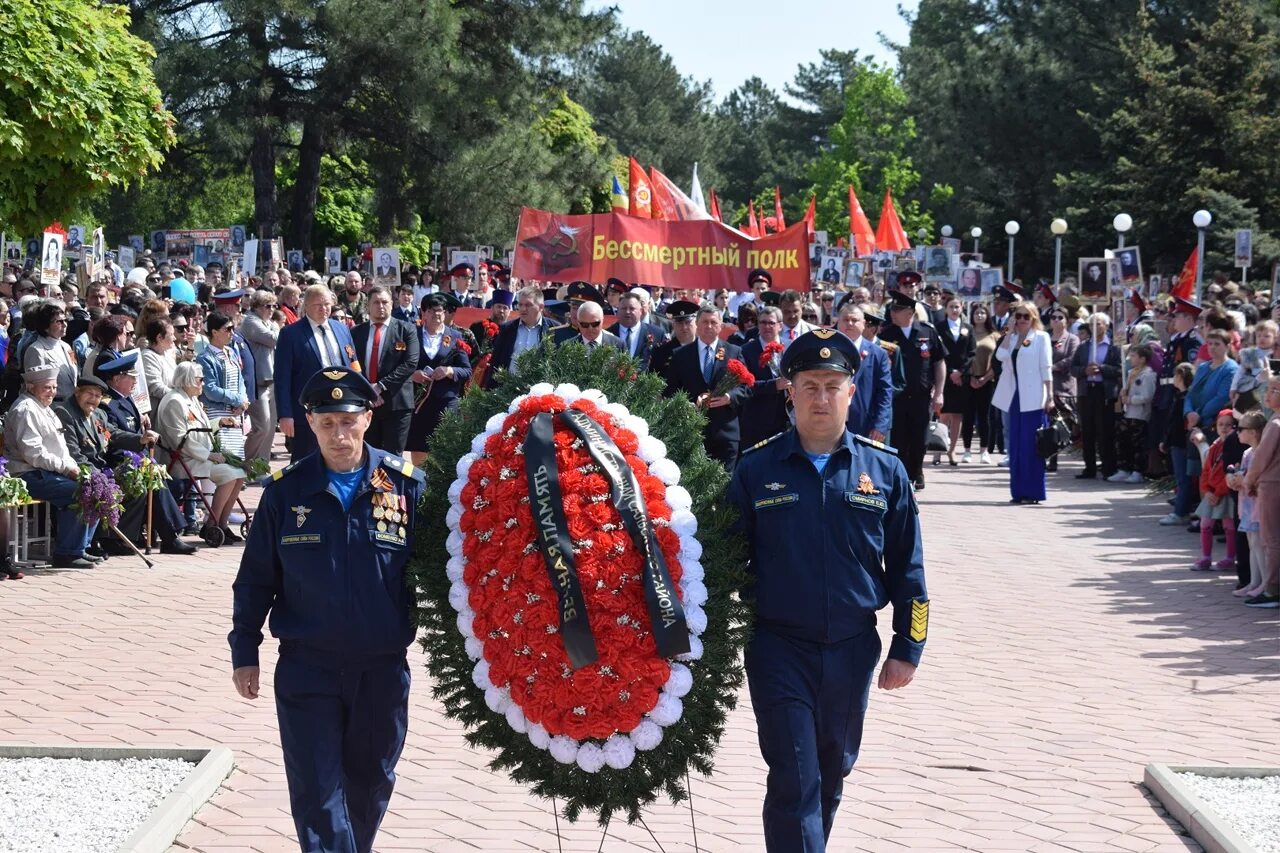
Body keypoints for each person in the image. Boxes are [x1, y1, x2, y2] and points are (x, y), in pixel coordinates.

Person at [727, 329, 928, 852]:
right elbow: (724, 560)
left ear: (851, 391)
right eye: (809, 385)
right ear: (788, 391)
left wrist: (908, 648)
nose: (821, 397)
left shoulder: (885, 471)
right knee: (795, 777)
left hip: (852, 647)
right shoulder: (755, 469)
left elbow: (910, 569)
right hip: (778, 646)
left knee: (831, 773)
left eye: (832, 385)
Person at [229, 367, 422, 853]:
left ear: (367, 418)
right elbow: (255, 579)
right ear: (310, 422)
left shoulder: (405, 489)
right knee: (316, 790)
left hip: (381, 667)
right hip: (306, 666)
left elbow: (440, 575)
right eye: (327, 422)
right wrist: (244, 650)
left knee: (371, 781)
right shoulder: (284, 493)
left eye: (348, 421)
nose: (339, 434)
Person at [59, 371, 196, 555]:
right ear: (77, 392)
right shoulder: (66, 412)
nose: (93, 399)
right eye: (89, 394)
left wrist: (141, 439)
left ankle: (167, 537)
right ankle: (107, 540)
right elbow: (73, 452)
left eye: (97, 396)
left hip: (101, 469)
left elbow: (113, 434)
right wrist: (96, 475)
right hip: (81, 470)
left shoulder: (98, 414)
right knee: (134, 482)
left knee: (147, 478)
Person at [5, 365, 100, 567]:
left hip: (47, 471)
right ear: (31, 387)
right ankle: (68, 553)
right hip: (27, 474)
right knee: (79, 491)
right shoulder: (25, 410)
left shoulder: (44, 408)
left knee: (99, 486)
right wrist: (67, 470)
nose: (52, 392)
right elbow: (34, 454)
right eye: (47, 387)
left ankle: (82, 546)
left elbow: (61, 450)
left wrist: (77, 469)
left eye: (54, 387)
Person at [157, 361, 247, 542]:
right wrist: (210, 455)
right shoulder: (175, 401)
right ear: (188, 380)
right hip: (185, 460)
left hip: (198, 457)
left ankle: (221, 523)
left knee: (241, 474)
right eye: (200, 380)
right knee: (230, 475)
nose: (203, 384)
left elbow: (201, 429)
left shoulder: (191, 399)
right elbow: (180, 440)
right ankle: (211, 524)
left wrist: (219, 422)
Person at [276, 284, 362, 461]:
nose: (324, 309)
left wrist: (361, 396)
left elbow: (354, 365)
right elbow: (282, 378)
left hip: (342, 405)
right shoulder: (291, 334)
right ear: (305, 306)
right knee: (306, 459)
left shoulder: (341, 329)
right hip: (309, 411)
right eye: (318, 305)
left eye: (327, 304)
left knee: (340, 457)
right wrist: (285, 415)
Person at [664, 304, 751, 470]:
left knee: (724, 486)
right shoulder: (681, 355)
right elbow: (670, 391)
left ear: (721, 326)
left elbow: (746, 387)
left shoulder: (734, 352)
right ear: (697, 324)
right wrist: (683, 404)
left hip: (726, 433)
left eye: (713, 322)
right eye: (704, 322)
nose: (709, 326)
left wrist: (729, 397)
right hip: (692, 432)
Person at [876, 290, 946, 490]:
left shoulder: (927, 332)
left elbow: (939, 363)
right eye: (892, 308)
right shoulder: (886, 334)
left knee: (919, 438)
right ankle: (903, 476)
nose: (892, 312)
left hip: (921, 396)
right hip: (896, 397)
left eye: (897, 309)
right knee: (898, 438)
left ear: (910, 311)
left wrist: (939, 393)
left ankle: (917, 471)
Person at [992, 304, 1054, 503]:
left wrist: (1050, 395)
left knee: (1031, 447)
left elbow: (1046, 367)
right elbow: (1000, 356)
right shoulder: (1013, 338)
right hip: (1014, 396)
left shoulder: (1040, 337)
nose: (1021, 319)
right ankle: (1018, 492)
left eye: (1025, 316)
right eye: (1018, 316)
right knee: (1016, 446)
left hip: (1033, 397)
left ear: (1033, 317)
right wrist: (1009, 332)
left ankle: (1033, 492)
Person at [351, 287, 420, 455]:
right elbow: (351, 362)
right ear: (368, 305)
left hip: (397, 404)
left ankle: (392, 483)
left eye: (384, 302)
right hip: (365, 403)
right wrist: (368, 389)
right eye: (376, 302)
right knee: (366, 455)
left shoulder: (407, 330)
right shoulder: (356, 332)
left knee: (393, 458)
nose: (380, 306)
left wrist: (380, 386)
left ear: (392, 304)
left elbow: (410, 363)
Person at [405, 294, 471, 464]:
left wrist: (449, 370)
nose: (437, 315)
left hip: (446, 403)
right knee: (420, 453)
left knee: (446, 452)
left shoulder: (455, 336)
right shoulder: (412, 334)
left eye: (441, 311)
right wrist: (413, 374)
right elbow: (399, 364)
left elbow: (466, 370)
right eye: (432, 311)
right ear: (424, 313)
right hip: (420, 403)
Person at [1241, 377, 1280, 607]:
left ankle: (1273, 589)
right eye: (1268, 388)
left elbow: (1261, 457)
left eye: (1275, 390)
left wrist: (1249, 479)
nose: (1268, 394)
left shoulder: (1275, 424)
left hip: (1271, 483)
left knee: (1271, 538)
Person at [1070, 313, 1123, 480]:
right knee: (1088, 430)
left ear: (1106, 326)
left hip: (1104, 391)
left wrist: (1103, 369)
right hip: (1087, 391)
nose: (1095, 327)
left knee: (1105, 430)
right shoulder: (1084, 346)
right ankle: (1089, 468)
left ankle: (1108, 468)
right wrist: (1084, 371)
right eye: (1091, 323)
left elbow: (1120, 369)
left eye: (1098, 323)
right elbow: (1073, 368)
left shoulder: (1114, 347)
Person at [836, 304, 892, 441]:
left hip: (864, 425)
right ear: (838, 322)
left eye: (854, 320)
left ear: (863, 324)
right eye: (845, 319)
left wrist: (880, 425)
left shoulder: (878, 354)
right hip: (833, 422)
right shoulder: (828, 350)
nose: (849, 323)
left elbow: (885, 392)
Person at [1191, 409, 1239, 570]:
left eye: (1228, 425)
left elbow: (1230, 473)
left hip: (1224, 493)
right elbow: (1206, 470)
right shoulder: (1214, 445)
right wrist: (1207, 490)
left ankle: (1230, 558)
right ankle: (1206, 557)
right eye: (1220, 424)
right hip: (1212, 493)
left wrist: (1218, 492)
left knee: (1229, 526)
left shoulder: (1234, 445)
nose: (1224, 428)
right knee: (1205, 525)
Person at [1229, 409, 1268, 599]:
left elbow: (1257, 476)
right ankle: (1254, 581)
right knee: (1252, 543)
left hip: (1257, 504)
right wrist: (1235, 479)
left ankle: (1265, 582)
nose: (1238, 431)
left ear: (1253, 432)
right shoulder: (1247, 453)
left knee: (1260, 544)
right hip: (1246, 504)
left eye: (1241, 428)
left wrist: (1242, 478)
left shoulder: (1262, 452)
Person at [739, 306, 790, 449]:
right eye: (763, 322)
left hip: (787, 419)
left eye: (771, 323)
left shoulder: (790, 347)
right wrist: (774, 385)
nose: (767, 326)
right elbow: (745, 386)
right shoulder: (746, 351)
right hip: (757, 420)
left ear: (780, 325)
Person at [485, 285, 557, 386]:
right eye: (520, 304)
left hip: (538, 392)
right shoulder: (507, 329)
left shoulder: (554, 329)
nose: (523, 309)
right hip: (507, 390)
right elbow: (496, 362)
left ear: (541, 307)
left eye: (528, 305)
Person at [934, 295, 974, 466]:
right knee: (943, 415)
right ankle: (938, 451)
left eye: (957, 307)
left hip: (961, 378)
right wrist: (950, 372)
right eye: (951, 307)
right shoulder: (939, 327)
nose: (954, 310)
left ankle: (952, 451)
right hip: (945, 376)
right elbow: (937, 352)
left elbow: (972, 352)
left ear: (962, 308)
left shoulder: (968, 328)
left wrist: (961, 372)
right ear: (946, 309)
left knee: (957, 416)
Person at [1111, 343, 1157, 483]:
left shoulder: (1148, 374)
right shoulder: (1131, 372)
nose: (1130, 358)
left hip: (1139, 415)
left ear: (1143, 359)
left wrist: (1130, 399)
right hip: (1128, 413)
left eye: (1133, 356)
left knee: (1138, 444)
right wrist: (1123, 394)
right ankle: (1123, 469)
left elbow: (1147, 396)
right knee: (1123, 441)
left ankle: (1138, 472)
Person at [960, 304, 999, 464]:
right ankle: (967, 451)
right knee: (968, 416)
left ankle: (984, 450)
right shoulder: (966, 333)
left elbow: (998, 361)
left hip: (987, 380)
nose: (980, 315)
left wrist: (985, 378)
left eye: (983, 312)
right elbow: (963, 356)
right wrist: (969, 377)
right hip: (968, 379)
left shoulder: (994, 335)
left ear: (988, 316)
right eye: (977, 312)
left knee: (985, 417)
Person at [21, 300, 78, 404]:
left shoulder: (66, 346)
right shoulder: (36, 350)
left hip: (71, 402)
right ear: (46, 327)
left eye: (65, 320)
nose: (65, 325)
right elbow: (35, 387)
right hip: (52, 404)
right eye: (59, 322)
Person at [613, 290, 668, 368]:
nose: (627, 312)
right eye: (624, 308)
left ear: (641, 311)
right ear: (617, 311)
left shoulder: (657, 334)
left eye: (632, 308)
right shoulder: (608, 334)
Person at [648, 300, 698, 380]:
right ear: (673, 325)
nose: (684, 327)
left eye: (687, 322)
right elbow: (652, 380)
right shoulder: (661, 351)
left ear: (696, 323)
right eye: (679, 323)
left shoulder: (703, 348)